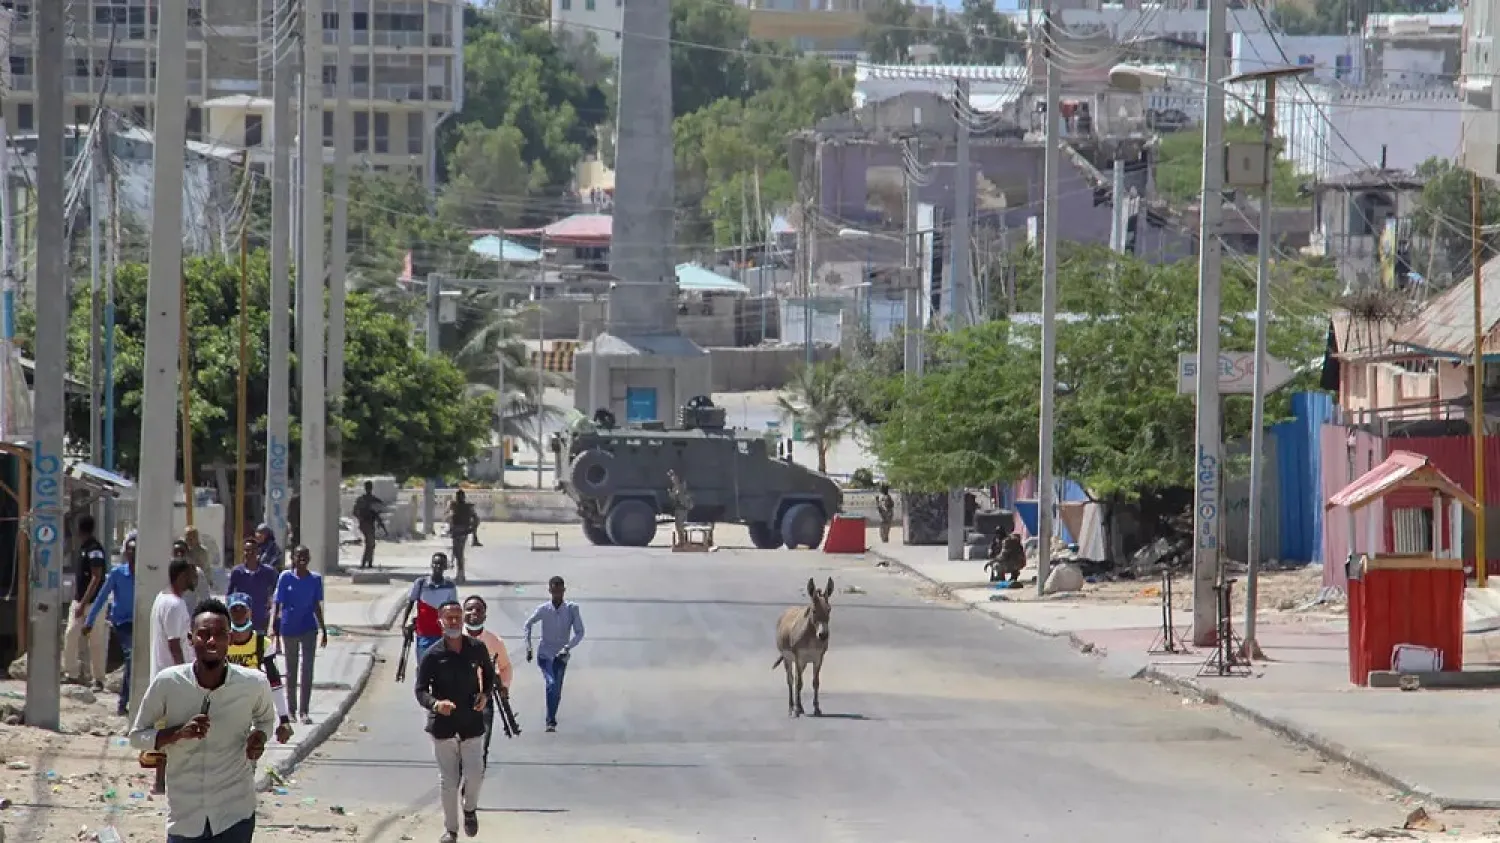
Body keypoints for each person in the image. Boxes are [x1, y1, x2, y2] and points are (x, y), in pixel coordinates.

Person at [130, 598, 277, 843]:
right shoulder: (168, 683)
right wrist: (177, 734)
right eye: (204, 634)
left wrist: (259, 738)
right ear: (190, 639)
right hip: (185, 819)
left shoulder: (253, 683)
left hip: (234, 816)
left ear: (229, 640)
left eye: (220, 634)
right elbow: (137, 736)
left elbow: (266, 720)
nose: (212, 641)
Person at [414, 601, 497, 843]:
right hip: (443, 725)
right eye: (448, 618)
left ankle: (469, 809)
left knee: (475, 773)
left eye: (457, 617)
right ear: (440, 622)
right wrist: (435, 704)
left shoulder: (477, 648)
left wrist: (485, 695)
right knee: (449, 782)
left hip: (471, 721)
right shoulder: (433, 656)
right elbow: (420, 690)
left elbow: (489, 676)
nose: (454, 622)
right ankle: (451, 830)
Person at [144, 559, 201, 795]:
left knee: (167, 730)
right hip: (174, 676)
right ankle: (162, 782)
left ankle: (163, 782)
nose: (194, 578)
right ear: (181, 575)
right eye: (191, 574)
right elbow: (174, 644)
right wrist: (185, 675)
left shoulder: (161, 599)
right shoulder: (175, 604)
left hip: (163, 674)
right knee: (176, 731)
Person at [225, 593, 295, 745]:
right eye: (234, 610)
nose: (238, 614)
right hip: (225, 707)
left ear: (249, 612)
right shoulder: (220, 643)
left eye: (242, 610)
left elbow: (275, 683)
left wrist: (284, 719)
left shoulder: (263, 644)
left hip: (251, 707)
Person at [272, 545, 327, 724]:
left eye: (305, 556)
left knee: (307, 669)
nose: (302, 559)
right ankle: (291, 710)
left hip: (309, 628)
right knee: (291, 670)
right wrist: (275, 629)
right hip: (289, 628)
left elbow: (316, 606)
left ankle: (304, 710)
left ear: (309, 558)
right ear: (293, 558)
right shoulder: (285, 578)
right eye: (298, 556)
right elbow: (277, 605)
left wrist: (324, 629)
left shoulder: (315, 579)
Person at [523, 576, 585, 733]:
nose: (557, 594)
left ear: (563, 591)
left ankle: (551, 715)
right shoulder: (544, 609)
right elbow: (528, 624)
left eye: (559, 590)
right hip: (545, 655)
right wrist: (528, 646)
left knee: (556, 689)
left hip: (561, 656)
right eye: (554, 590)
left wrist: (568, 647)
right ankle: (550, 721)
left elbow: (580, 632)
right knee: (551, 684)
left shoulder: (572, 609)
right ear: (550, 591)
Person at [85, 535, 137, 716]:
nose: (132, 554)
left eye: (136, 550)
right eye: (130, 550)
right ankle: (123, 703)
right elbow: (101, 598)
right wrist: (89, 621)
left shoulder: (147, 575)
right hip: (123, 623)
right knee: (131, 658)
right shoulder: (117, 574)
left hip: (141, 622)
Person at [462, 595, 514, 767]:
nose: (474, 613)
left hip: (484, 700)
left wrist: (504, 687)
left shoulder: (495, 641)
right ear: (463, 613)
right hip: (458, 699)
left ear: (485, 615)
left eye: (479, 609)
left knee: (481, 748)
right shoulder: (451, 640)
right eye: (469, 609)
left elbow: (505, 667)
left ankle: (472, 787)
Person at [64, 514, 110, 689]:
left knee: (96, 640)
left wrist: (83, 603)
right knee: (71, 634)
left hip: (94, 603)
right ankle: (72, 673)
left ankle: (98, 678)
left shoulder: (94, 549)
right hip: (79, 600)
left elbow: (96, 577)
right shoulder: (83, 548)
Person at [401, 553, 460, 654]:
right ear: (431, 564)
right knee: (423, 665)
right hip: (423, 633)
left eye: (441, 564)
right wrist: (404, 625)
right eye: (435, 563)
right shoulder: (420, 583)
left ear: (445, 566)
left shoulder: (450, 586)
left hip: (442, 634)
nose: (438, 566)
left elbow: (454, 610)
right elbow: (410, 603)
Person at [228, 537, 278, 634]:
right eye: (247, 550)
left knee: (260, 647)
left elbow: (277, 590)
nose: (249, 553)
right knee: (243, 647)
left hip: (261, 619)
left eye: (253, 550)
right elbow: (230, 594)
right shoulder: (237, 572)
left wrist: (271, 607)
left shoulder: (268, 572)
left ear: (258, 552)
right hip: (242, 620)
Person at [446, 491, 479, 582]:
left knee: (458, 553)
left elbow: (448, 517)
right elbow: (476, 519)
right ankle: (460, 573)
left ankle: (460, 574)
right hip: (461, 532)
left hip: (459, 532)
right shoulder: (464, 507)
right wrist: (473, 531)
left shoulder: (456, 506)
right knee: (458, 553)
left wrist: (473, 531)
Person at [352, 481, 385, 568]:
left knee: (371, 544)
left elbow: (378, 512)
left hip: (369, 523)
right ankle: (365, 563)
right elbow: (355, 512)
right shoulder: (363, 500)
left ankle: (368, 563)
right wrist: (361, 518)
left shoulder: (372, 500)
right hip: (366, 524)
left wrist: (378, 521)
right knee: (370, 543)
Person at [184, 526, 221, 595]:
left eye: (191, 538)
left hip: (199, 584)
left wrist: (209, 582)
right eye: (187, 538)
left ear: (196, 538)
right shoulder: (183, 551)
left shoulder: (202, 552)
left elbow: (206, 569)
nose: (189, 540)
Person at [667, 470, 692, 547]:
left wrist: (672, 493)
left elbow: (679, 496)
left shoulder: (681, 486)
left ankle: (683, 542)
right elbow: (674, 497)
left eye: (673, 477)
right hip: (678, 508)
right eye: (671, 478)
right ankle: (681, 541)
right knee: (678, 526)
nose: (672, 479)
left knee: (681, 526)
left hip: (682, 509)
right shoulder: (676, 487)